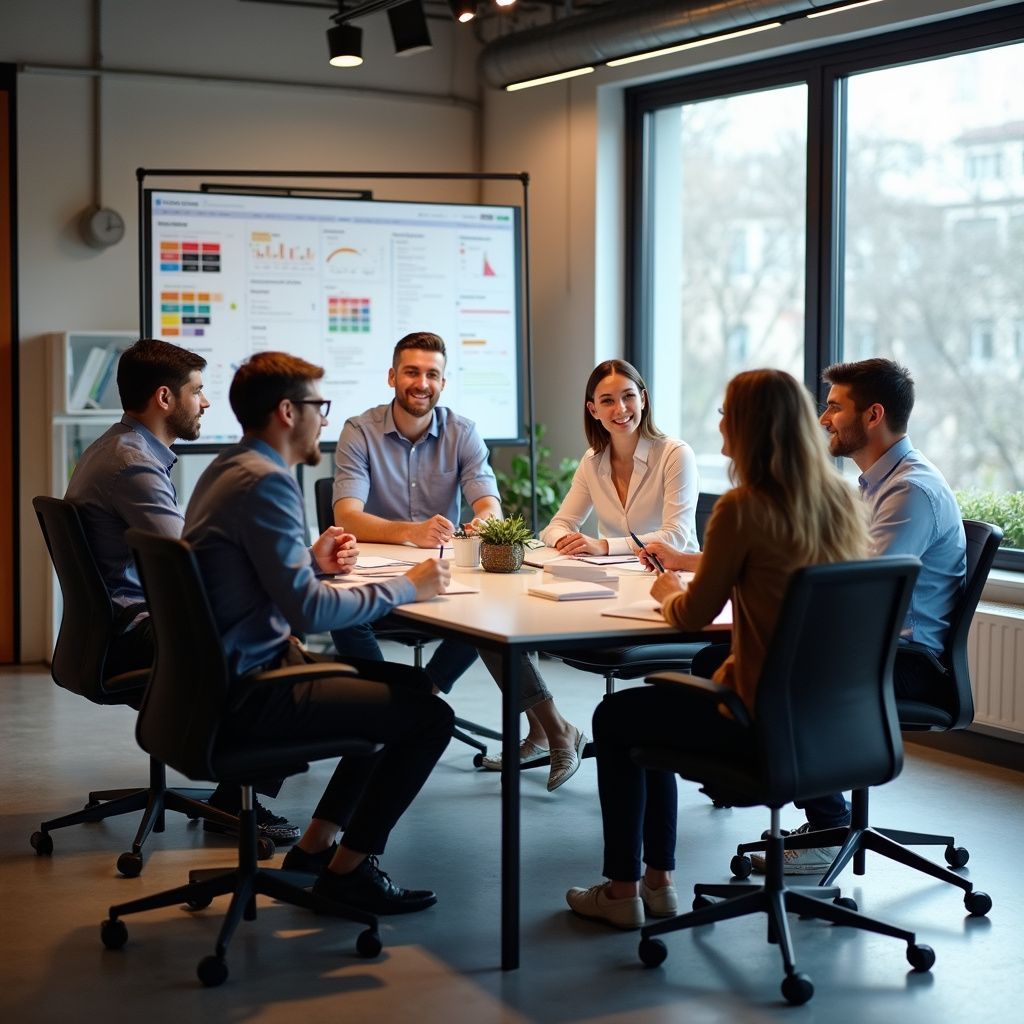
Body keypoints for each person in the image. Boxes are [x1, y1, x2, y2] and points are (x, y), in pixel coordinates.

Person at [565, 369, 869, 928]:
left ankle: (627, 889)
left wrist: (665, 587)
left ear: (752, 428)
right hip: (834, 719)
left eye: (728, 413)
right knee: (646, 711)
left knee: (618, 715)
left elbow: (689, 618)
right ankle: (654, 885)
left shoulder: (741, 508)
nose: (720, 423)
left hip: (754, 721)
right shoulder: (841, 503)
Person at [183, 351, 454, 914]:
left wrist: (310, 560)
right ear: (287, 411)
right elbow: (308, 614)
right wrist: (410, 586)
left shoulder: (227, 468)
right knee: (429, 717)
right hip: (255, 688)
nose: (325, 420)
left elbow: (252, 574)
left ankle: (316, 848)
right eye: (317, 407)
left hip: (218, 677)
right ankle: (349, 870)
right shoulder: (267, 483)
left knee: (409, 691)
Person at [64, 337, 300, 845]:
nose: (207, 402)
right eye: (198, 390)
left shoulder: (117, 448)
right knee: (276, 647)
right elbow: (188, 567)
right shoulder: (134, 464)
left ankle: (234, 794)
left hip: (109, 627)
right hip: (136, 633)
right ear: (165, 399)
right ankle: (235, 803)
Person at [331, 331, 585, 791]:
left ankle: (421, 697)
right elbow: (346, 514)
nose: (421, 382)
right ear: (392, 376)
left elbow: (487, 502)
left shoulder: (461, 431)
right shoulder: (359, 431)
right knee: (344, 614)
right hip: (378, 577)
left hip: (439, 577)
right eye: (411, 371)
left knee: (489, 609)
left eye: (432, 374)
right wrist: (409, 531)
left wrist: (481, 523)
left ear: (443, 382)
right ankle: (392, 704)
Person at [749, 357, 967, 875]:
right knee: (733, 656)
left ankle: (829, 826)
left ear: (873, 416)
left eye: (833, 406)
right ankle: (825, 813)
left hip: (906, 662)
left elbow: (857, 598)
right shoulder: (875, 484)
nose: (823, 418)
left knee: (781, 678)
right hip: (877, 646)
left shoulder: (909, 491)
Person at [492, 359, 698, 770]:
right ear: (593, 409)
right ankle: (546, 727)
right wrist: (566, 540)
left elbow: (674, 535)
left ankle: (553, 733)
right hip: (611, 591)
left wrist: (602, 545)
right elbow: (556, 526)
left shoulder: (674, 454)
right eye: (608, 400)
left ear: (643, 399)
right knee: (503, 628)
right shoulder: (594, 460)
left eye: (628, 396)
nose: (620, 408)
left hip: (669, 590)